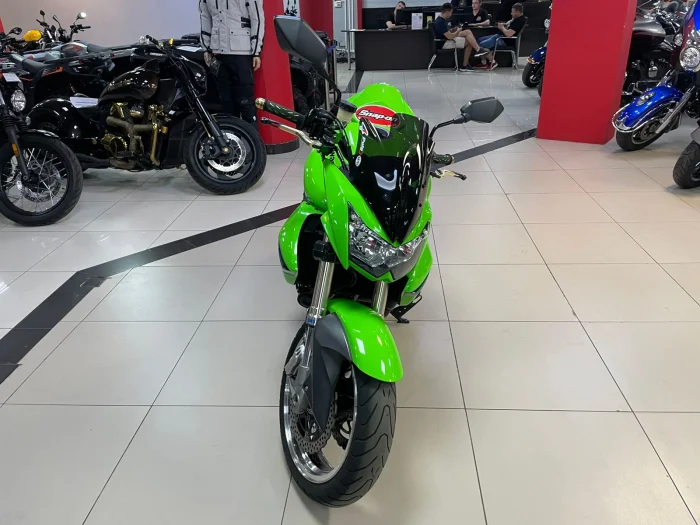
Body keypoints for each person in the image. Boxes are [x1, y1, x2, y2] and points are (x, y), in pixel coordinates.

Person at [200, 0, 264, 125]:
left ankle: (252, 136)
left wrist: (256, 50)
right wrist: (206, 47)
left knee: (246, 101)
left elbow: (257, 18)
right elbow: (205, 17)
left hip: (241, 51)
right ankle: (232, 135)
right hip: (218, 51)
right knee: (226, 102)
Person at [433, 2, 489, 72]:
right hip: (444, 43)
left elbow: (446, 32)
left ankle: (477, 50)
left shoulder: (442, 20)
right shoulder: (440, 22)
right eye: (451, 12)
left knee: (468, 32)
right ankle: (466, 64)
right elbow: (450, 37)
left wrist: (453, 30)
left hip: (446, 39)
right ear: (447, 12)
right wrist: (458, 31)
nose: (451, 14)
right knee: (469, 42)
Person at [476, 2, 526, 71]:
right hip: (499, 36)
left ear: (518, 12)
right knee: (479, 40)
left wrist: (502, 28)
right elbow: (510, 27)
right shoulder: (515, 19)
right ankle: (484, 62)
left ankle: (493, 62)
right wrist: (505, 25)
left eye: (513, 12)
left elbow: (509, 34)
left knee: (482, 45)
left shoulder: (519, 21)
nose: (511, 14)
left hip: (503, 40)